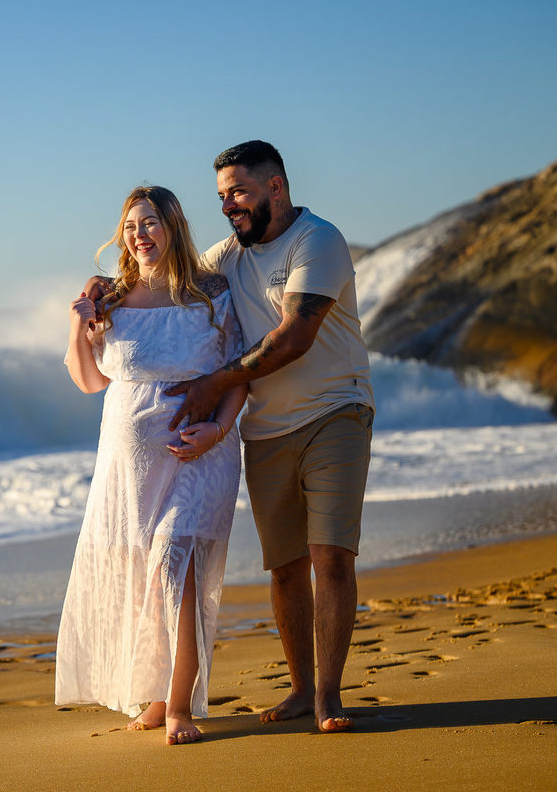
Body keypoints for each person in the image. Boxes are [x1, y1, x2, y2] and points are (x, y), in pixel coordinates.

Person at [163, 140, 375, 733]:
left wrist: (215, 384)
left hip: (337, 409)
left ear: (275, 187)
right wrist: (106, 290)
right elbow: (171, 279)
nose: (229, 204)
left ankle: (330, 695)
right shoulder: (228, 255)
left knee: (329, 555)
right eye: (223, 195)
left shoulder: (318, 240)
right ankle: (303, 689)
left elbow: (294, 336)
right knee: (284, 567)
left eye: (239, 191)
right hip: (266, 430)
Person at [55, 186, 248, 746]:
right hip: (127, 466)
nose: (140, 234)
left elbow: (239, 372)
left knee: (173, 570)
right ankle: (155, 694)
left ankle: (179, 707)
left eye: (151, 223)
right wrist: (79, 324)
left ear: (174, 228)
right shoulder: (111, 298)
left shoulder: (212, 293)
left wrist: (219, 428)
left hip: (199, 453)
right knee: (146, 576)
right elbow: (90, 380)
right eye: (131, 226)